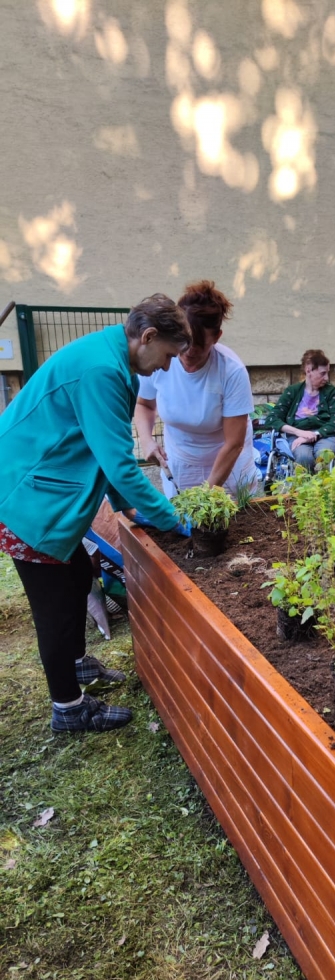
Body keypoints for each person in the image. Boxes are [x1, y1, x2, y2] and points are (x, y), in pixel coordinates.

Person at [0, 294, 192, 733]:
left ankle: (76, 663)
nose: (166, 367)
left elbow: (99, 450)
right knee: (53, 605)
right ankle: (68, 707)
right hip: (26, 498)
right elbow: (120, 465)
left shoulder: (112, 357)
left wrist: (128, 507)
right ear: (147, 337)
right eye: (167, 355)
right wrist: (168, 518)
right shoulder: (102, 370)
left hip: (41, 488)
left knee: (75, 580)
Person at [134, 280, 261, 499]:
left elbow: (234, 443)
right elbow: (144, 403)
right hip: (181, 460)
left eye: (200, 346)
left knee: (228, 522)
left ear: (217, 337)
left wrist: (206, 495)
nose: (190, 352)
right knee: (183, 525)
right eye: (185, 342)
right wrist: (146, 440)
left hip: (227, 464)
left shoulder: (231, 371)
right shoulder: (160, 358)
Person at [260, 349, 335, 471]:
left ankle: (325, 489)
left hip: (326, 435)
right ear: (309, 370)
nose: (326, 378)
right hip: (297, 436)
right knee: (304, 458)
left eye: (327, 373)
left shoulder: (331, 392)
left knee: (324, 456)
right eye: (322, 373)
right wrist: (299, 433)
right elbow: (272, 419)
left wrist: (313, 434)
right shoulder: (292, 391)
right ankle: (306, 489)